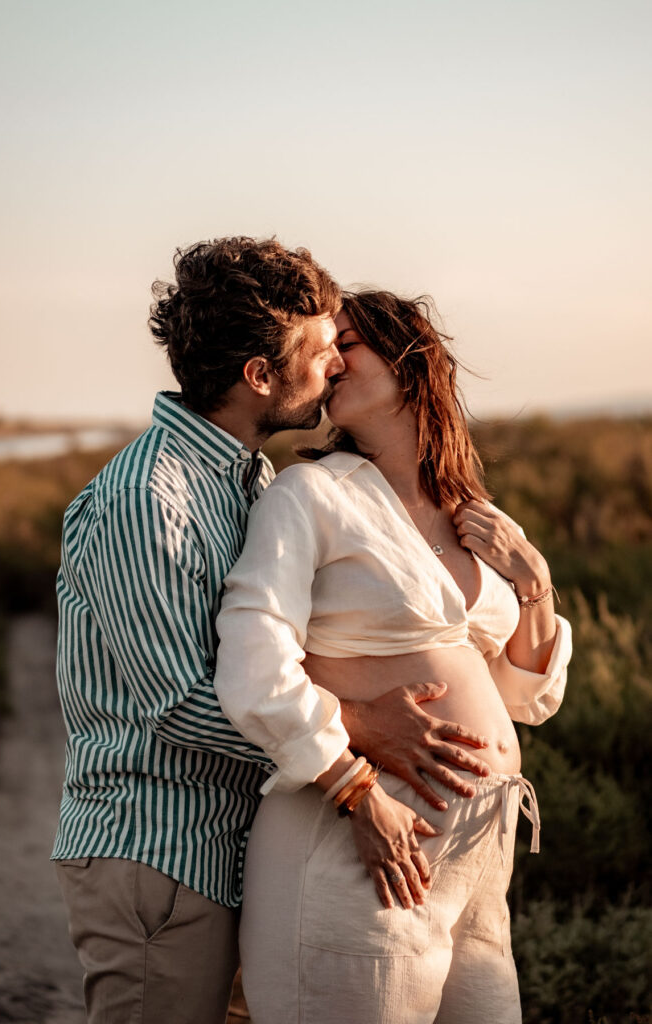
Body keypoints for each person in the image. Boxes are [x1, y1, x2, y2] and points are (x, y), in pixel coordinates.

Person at [51, 242, 493, 1024]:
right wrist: (359, 742)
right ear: (259, 375)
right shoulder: (148, 499)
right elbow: (179, 702)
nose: (333, 368)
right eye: (322, 350)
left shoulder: (245, 478)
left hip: (234, 846)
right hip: (158, 850)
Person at [214, 289, 572, 1024]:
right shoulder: (309, 494)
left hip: (476, 866)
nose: (328, 359)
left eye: (347, 341)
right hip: (361, 848)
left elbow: (526, 698)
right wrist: (356, 791)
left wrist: (533, 581)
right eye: (322, 347)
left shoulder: (476, 513)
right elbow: (254, 664)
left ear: (410, 362)